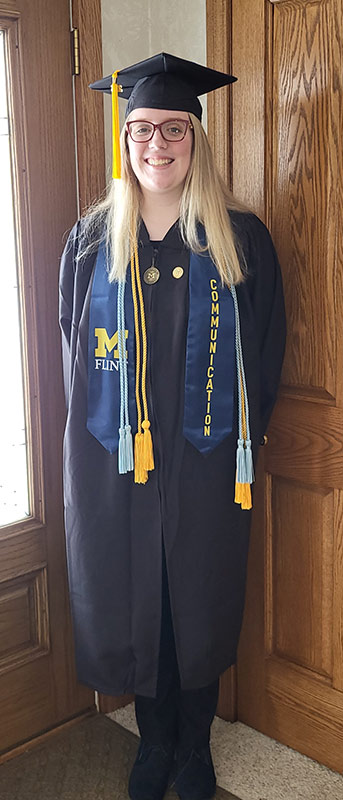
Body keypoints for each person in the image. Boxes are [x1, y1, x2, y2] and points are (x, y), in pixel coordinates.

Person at [59, 52, 286, 800]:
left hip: (210, 457)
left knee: (197, 595)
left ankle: (196, 747)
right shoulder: (91, 241)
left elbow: (265, 348)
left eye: (174, 130)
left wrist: (235, 442)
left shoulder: (239, 239)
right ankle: (152, 740)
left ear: (197, 139)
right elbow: (72, 345)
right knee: (134, 598)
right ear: (124, 140)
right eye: (142, 129)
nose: (157, 145)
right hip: (112, 458)